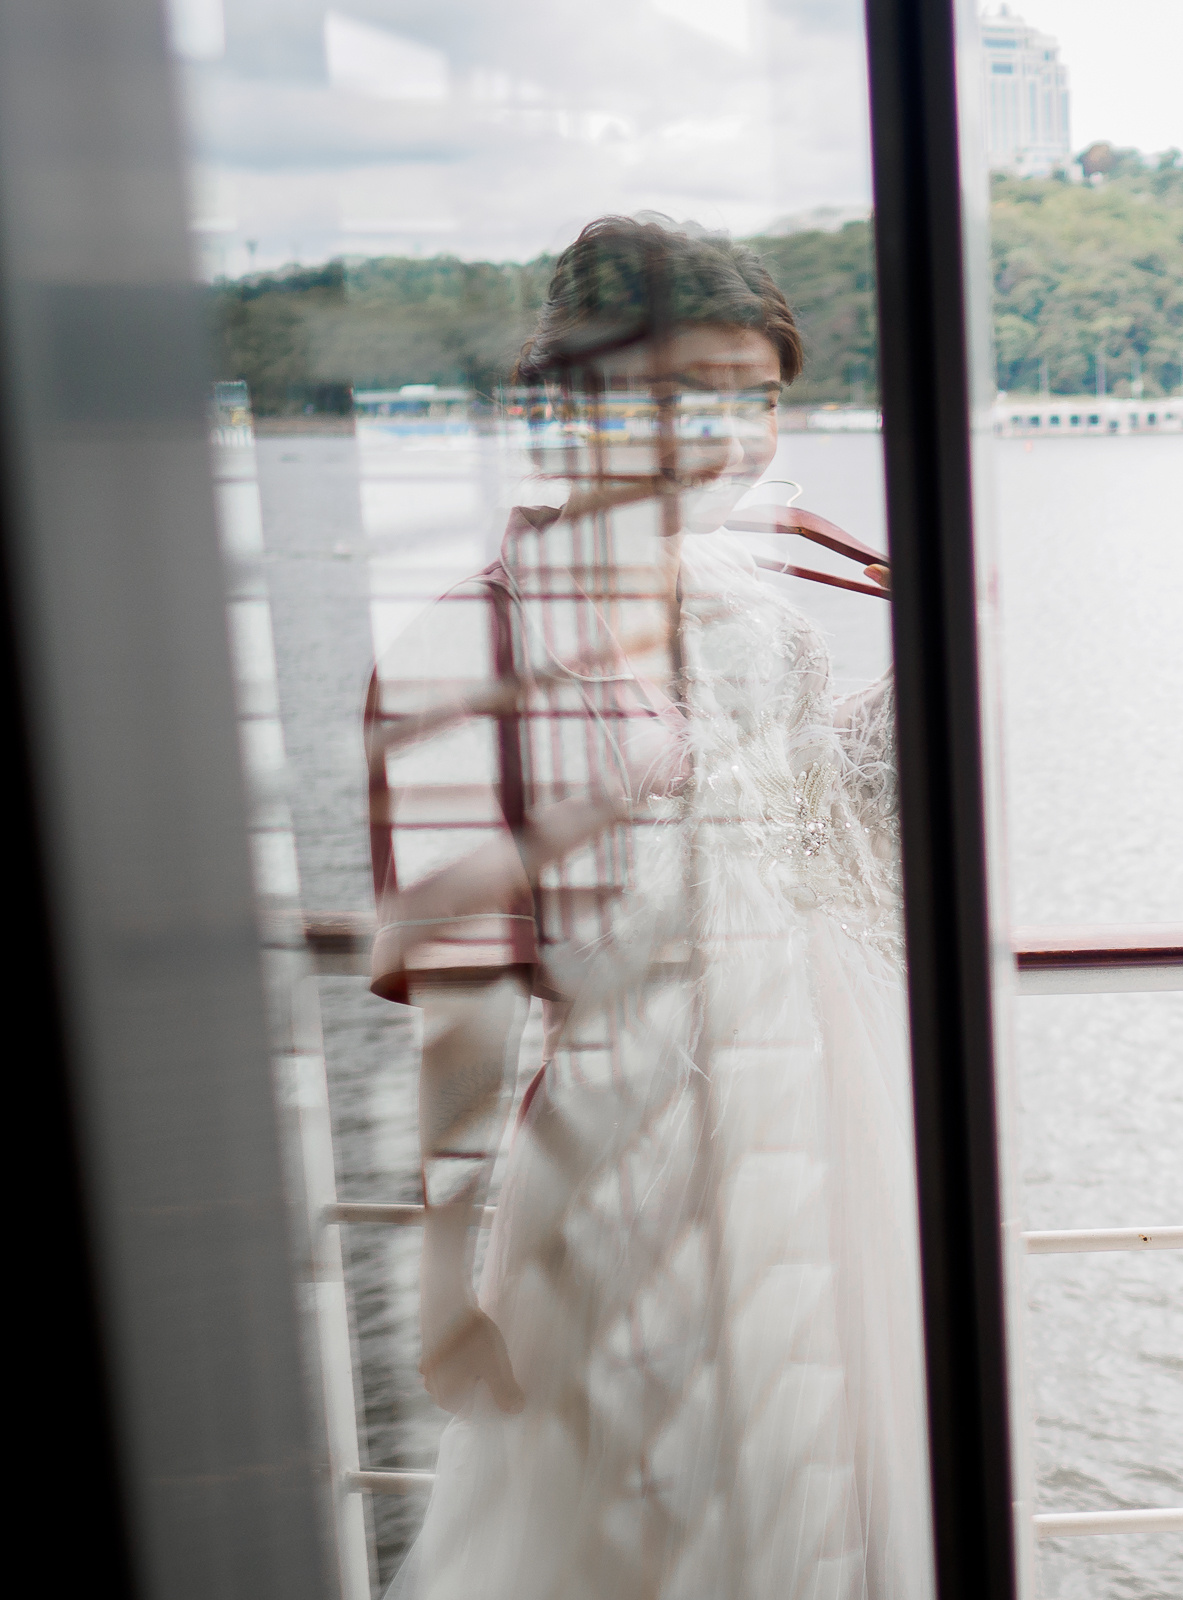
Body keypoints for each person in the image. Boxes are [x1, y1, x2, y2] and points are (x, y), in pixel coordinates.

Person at [366, 216, 930, 1599]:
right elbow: (462, 1003)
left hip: (824, 1120)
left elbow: (838, 836)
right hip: (625, 1165)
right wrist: (447, 1290)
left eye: (753, 397)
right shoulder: (470, 637)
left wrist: (936, 642)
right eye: (674, 393)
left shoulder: (759, 624)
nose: (718, 437)